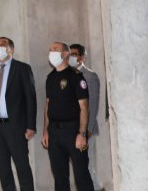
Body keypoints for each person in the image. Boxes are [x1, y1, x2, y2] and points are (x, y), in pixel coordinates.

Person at [0, 36, 37, 191]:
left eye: (3, 44)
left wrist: (30, 126)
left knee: (22, 166)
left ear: (11, 49)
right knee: (3, 168)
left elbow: (30, 99)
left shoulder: (22, 68)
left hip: (16, 126)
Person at [41, 41, 94, 191]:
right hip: (54, 132)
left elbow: (84, 107)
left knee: (81, 175)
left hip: (73, 131)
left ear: (65, 53)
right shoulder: (50, 78)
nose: (51, 52)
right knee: (60, 177)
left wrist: (82, 134)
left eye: (55, 49)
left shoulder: (76, 76)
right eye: (50, 49)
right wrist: (45, 131)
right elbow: (47, 105)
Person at [69, 44, 103, 191]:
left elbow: (93, 105)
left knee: (86, 165)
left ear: (82, 57)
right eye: (69, 54)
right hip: (72, 129)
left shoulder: (90, 76)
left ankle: (98, 188)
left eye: (74, 54)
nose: (71, 57)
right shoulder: (68, 75)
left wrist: (87, 130)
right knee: (79, 166)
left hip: (87, 130)